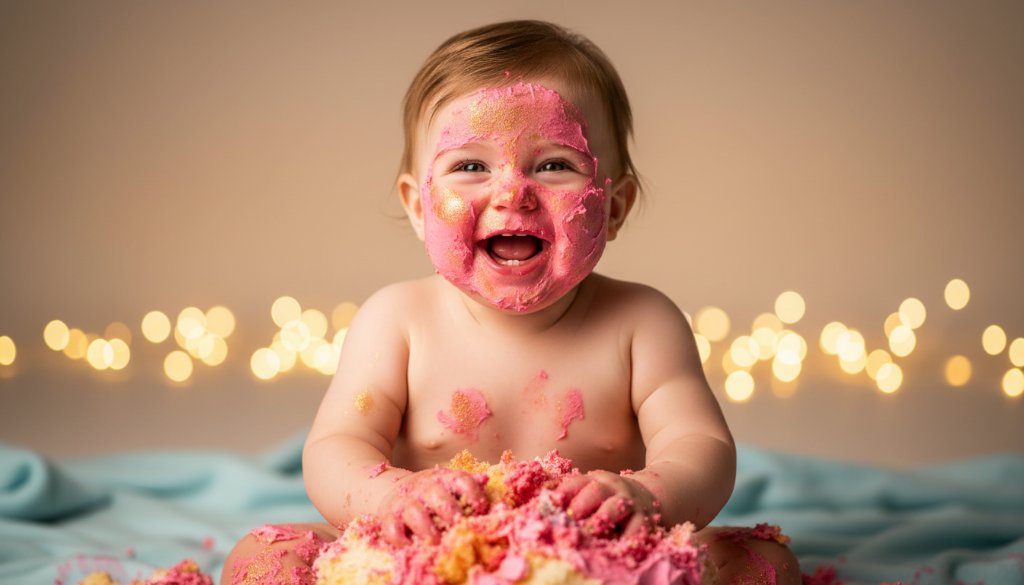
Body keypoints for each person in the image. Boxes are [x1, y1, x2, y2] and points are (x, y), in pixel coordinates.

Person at [223, 19, 800, 584]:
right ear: (419, 206)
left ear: (615, 205)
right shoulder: (397, 321)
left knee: (763, 561)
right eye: (470, 166)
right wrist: (392, 497)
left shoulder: (641, 324)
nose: (511, 193)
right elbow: (336, 446)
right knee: (262, 557)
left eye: (554, 165)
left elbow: (700, 444)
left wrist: (646, 495)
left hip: (593, 560)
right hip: (430, 555)